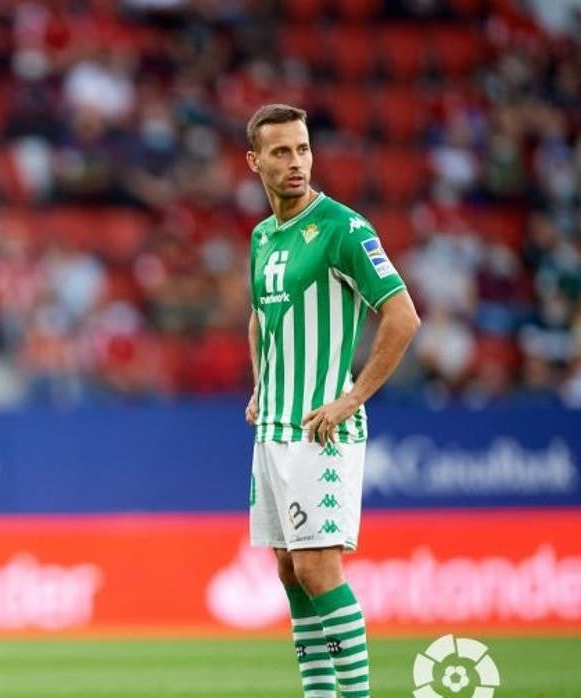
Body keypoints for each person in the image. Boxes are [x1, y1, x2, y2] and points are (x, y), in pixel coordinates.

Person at [243, 104, 420, 698]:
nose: (296, 162)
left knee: (320, 567)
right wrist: (260, 383)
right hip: (274, 426)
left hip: (321, 428)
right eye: (281, 152)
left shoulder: (345, 228)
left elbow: (402, 316)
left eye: (303, 149)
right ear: (255, 162)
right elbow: (258, 314)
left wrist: (351, 398)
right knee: (291, 570)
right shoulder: (262, 236)